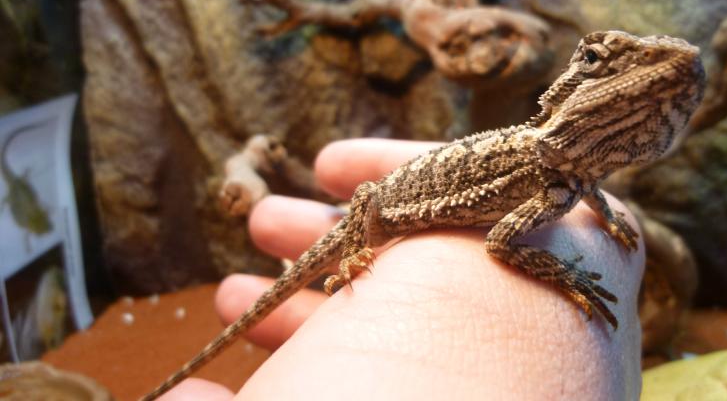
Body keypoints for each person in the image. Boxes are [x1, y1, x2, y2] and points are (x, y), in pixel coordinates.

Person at [161, 139, 644, 400]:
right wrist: (353, 250)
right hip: (388, 212)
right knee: (362, 197)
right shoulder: (549, 158)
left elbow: (580, 184)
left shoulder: (570, 169)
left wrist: (605, 214)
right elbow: (367, 195)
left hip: (413, 212)